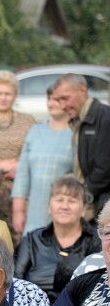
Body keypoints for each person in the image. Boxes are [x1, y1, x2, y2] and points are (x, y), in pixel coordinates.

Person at [15, 176, 99, 302]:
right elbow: (15, 283)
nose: (64, 206)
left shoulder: (96, 242)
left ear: (84, 210)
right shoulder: (32, 240)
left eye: (72, 201)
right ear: (49, 207)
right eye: (59, 200)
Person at [11, 85, 74, 238]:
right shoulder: (35, 131)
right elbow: (22, 175)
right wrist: (18, 211)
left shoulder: (77, 134)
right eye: (49, 99)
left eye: (57, 100)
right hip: (34, 213)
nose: (51, 103)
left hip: (65, 213)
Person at [53, 72, 110, 218]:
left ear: (83, 90)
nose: (62, 105)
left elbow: (104, 168)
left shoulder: (104, 117)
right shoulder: (78, 119)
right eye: (58, 100)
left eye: (65, 98)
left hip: (101, 204)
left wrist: (84, 194)